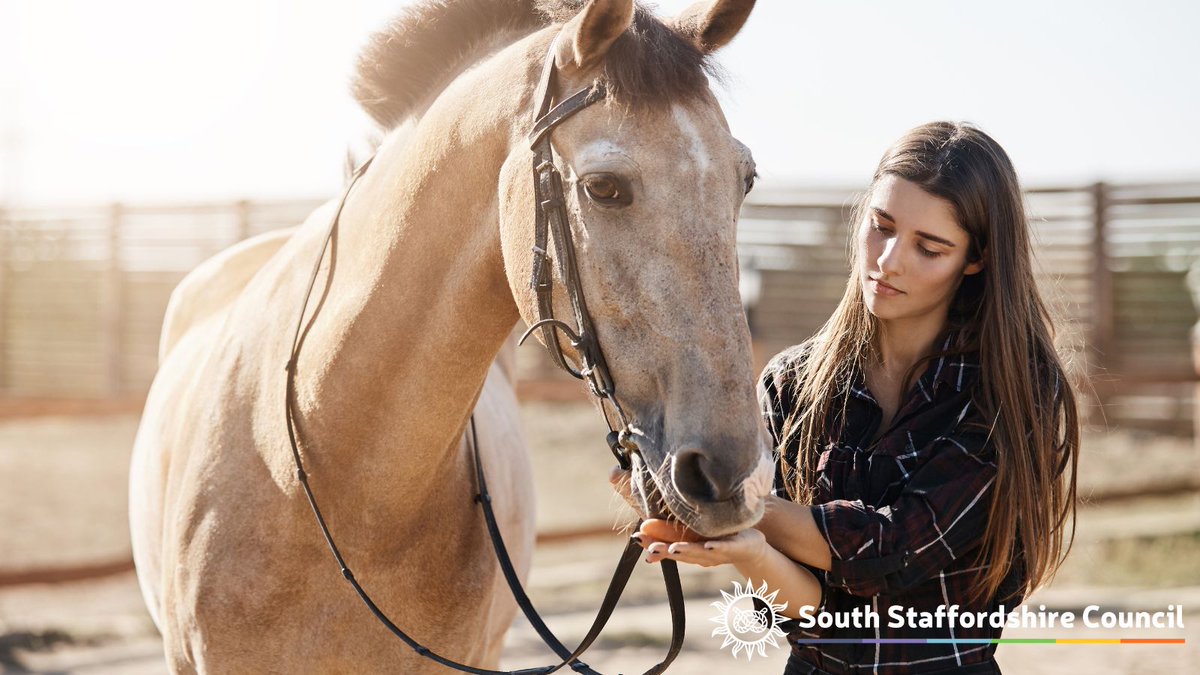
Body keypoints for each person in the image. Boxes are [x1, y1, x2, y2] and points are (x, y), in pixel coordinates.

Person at [618, 121, 1081, 674]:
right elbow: (816, 612)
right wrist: (745, 546)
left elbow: (890, 546)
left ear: (975, 260)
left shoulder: (1010, 393)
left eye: (929, 248)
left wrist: (730, 501)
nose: (887, 261)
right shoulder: (792, 381)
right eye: (880, 226)